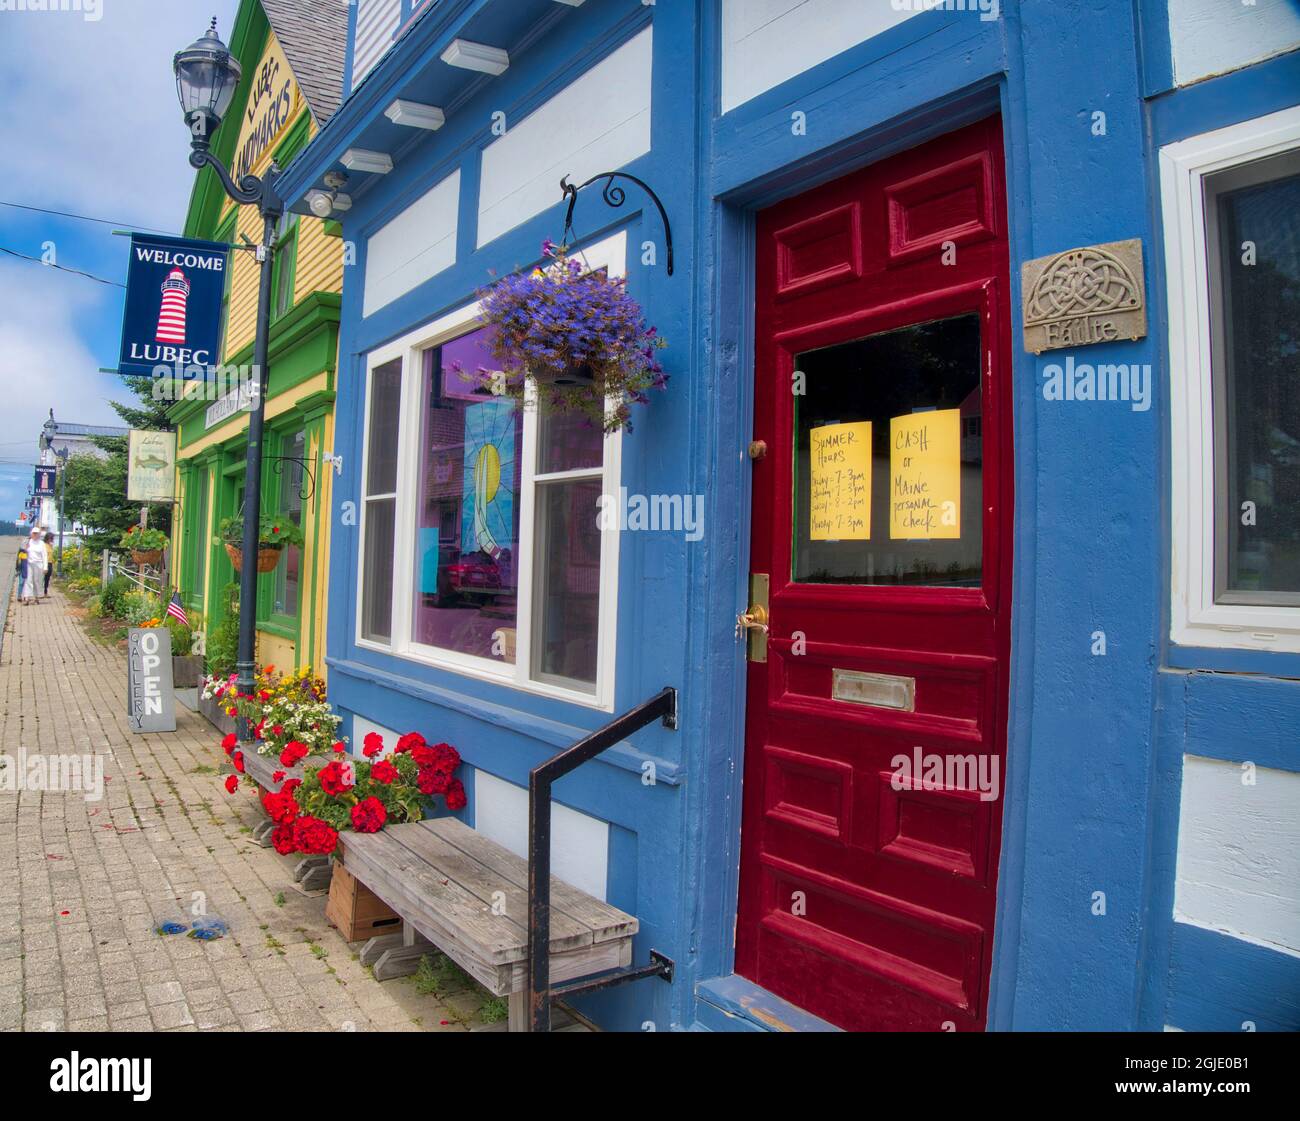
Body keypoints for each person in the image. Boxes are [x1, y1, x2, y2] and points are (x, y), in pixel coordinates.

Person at [21, 527, 47, 606]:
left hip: (38, 564)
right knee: (28, 580)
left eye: (36, 533)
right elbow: (23, 551)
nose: (35, 535)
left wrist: (45, 567)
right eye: (33, 533)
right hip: (29, 563)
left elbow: (44, 555)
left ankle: (36, 597)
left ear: (39, 534)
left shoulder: (41, 543)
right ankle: (27, 598)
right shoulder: (28, 542)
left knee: (36, 581)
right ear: (31, 534)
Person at [42, 531, 55, 599]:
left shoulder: (50, 546)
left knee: (47, 578)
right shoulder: (43, 545)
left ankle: (45, 592)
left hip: (50, 563)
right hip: (44, 563)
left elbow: (51, 555)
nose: (51, 540)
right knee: (42, 578)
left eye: (52, 538)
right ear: (47, 538)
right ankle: (40, 592)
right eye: (50, 538)